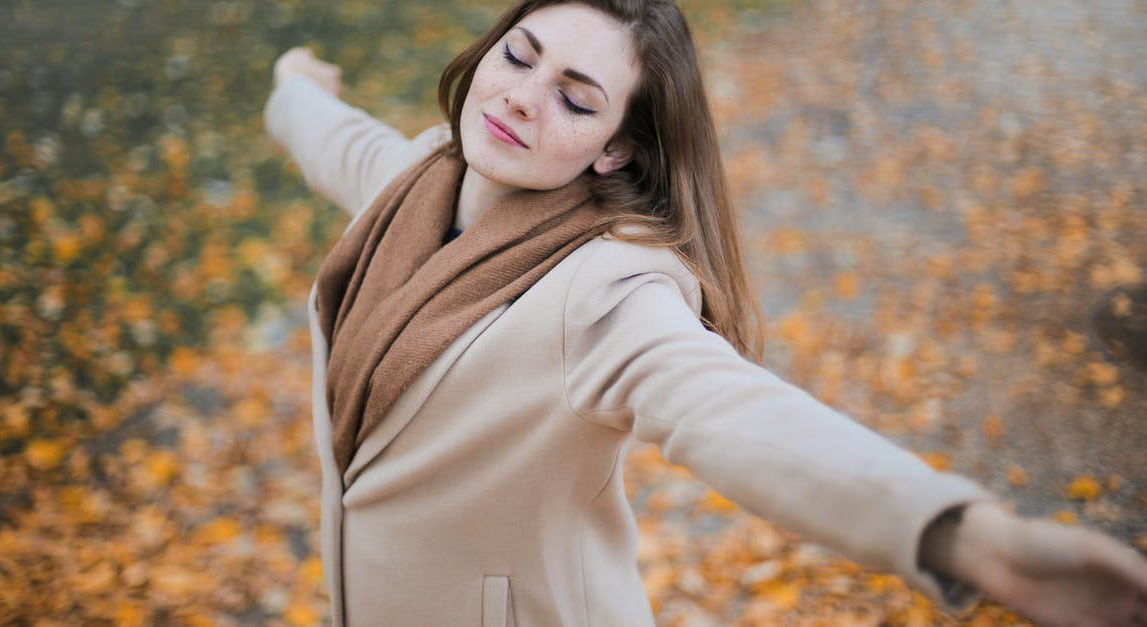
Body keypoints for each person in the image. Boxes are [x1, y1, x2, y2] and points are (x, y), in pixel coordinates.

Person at [263, 1, 1147, 625]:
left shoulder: (606, 290)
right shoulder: (417, 179)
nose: (522, 97)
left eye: (577, 97)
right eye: (519, 54)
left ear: (615, 149)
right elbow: (335, 138)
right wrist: (290, 79)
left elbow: (740, 417)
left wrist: (968, 538)